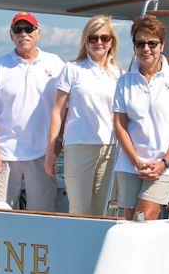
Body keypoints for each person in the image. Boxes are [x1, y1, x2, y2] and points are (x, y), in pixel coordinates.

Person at [0, 11, 64, 211]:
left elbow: (65, 108)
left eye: (29, 29)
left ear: (38, 33)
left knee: (42, 215)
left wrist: (55, 148)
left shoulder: (56, 64)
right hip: (4, 156)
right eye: (18, 29)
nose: (23, 33)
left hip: (43, 154)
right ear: (11, 35)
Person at [112, 15, 169, 221]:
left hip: (164, 165)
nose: (146, 48)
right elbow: (120, 126)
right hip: (130, 164)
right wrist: (136, 162)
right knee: (129, 220)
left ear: (162, 45)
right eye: (140, 43)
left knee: (144, 216)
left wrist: (164, 162)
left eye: (152, 43)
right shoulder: (124, 81)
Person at [45, 15, 122, 215]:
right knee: (79, 210)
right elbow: (57, 111)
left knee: (102, 211)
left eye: (104, 38)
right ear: (85, 41)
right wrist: (51, 152)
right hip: (78, 146)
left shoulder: (119, 73)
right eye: (93, 38)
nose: (99, 42)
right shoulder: (72, 69)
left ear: (111, 41)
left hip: (110, 148)